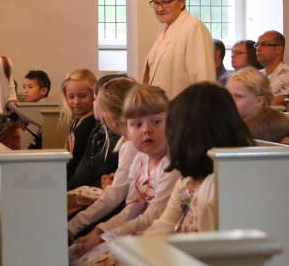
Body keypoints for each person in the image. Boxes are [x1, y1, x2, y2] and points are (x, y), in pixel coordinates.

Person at [69, 86, 181, 265]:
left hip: (163, 236)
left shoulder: (171, 164)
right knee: (74, 254)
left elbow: (153, 215)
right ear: (127, 129)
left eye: (156, 122)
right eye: (137, 124)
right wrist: (98, 231)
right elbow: (133, 207)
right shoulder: (140, 160)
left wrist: (104, 237)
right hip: (136, 230)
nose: (146, 130)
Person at [145, 82, 255, 234]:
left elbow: (209, 250)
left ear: (185, 135)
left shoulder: (215, 189)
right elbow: (162, 227)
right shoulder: (187, 183)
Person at [142, 0, 215, 99]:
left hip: (183, 112)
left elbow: (203, 79)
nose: (160, 8)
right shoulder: (163, 30)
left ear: (182, 1)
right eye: (156, 2)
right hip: (160, 110)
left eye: (166, 2)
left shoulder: (194, 27)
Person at [67, 75, 134, 191]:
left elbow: (94, 168)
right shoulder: (98, 128)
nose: (93, 104)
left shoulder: (119, 138)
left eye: (95, 98)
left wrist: (68, 188)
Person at [61, 69, 98, 179]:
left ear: (93, 95)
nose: (76, 102)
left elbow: (78, 159)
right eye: (71, 97)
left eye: (82, 96)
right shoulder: (78, 121)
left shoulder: (90, 123)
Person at [256, 30, 289, 105]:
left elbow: (274, 104)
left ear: (278, 49)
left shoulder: (287, 75)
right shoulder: (258, 74)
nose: (258, 48)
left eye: (264, 44)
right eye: (257, 45)